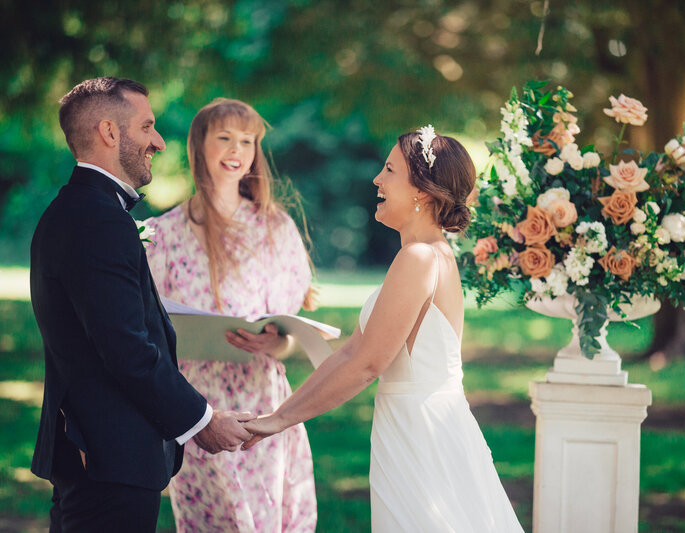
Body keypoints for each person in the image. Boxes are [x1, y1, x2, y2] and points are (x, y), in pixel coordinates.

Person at [243, 126, 524, 531]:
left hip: (422, 435)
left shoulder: (421, 259)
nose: (377, 178)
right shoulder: (426, 255)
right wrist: (279, 409)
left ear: (422, 191)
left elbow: (367, 363)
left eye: (390, 169)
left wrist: (280, 422)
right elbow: (351, 353)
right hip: (412, 424)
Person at [29, 77, 253, 532]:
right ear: (109, 132)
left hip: (92, 450)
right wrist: (202, 421)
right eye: (147, 126)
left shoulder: (76, 209)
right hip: (110, 459)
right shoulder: (98, 220)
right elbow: (126, 349)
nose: (159, 140)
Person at [145, 98, 317, 532]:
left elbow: (288, 337)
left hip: (262, 401)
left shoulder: (274, 228)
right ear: (199, 145)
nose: (236, 149)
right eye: (224, 137)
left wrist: (275, 341)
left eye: (247, 140)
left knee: (265, 519)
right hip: (195, 405)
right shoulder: (162, 235)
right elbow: (144, 329)